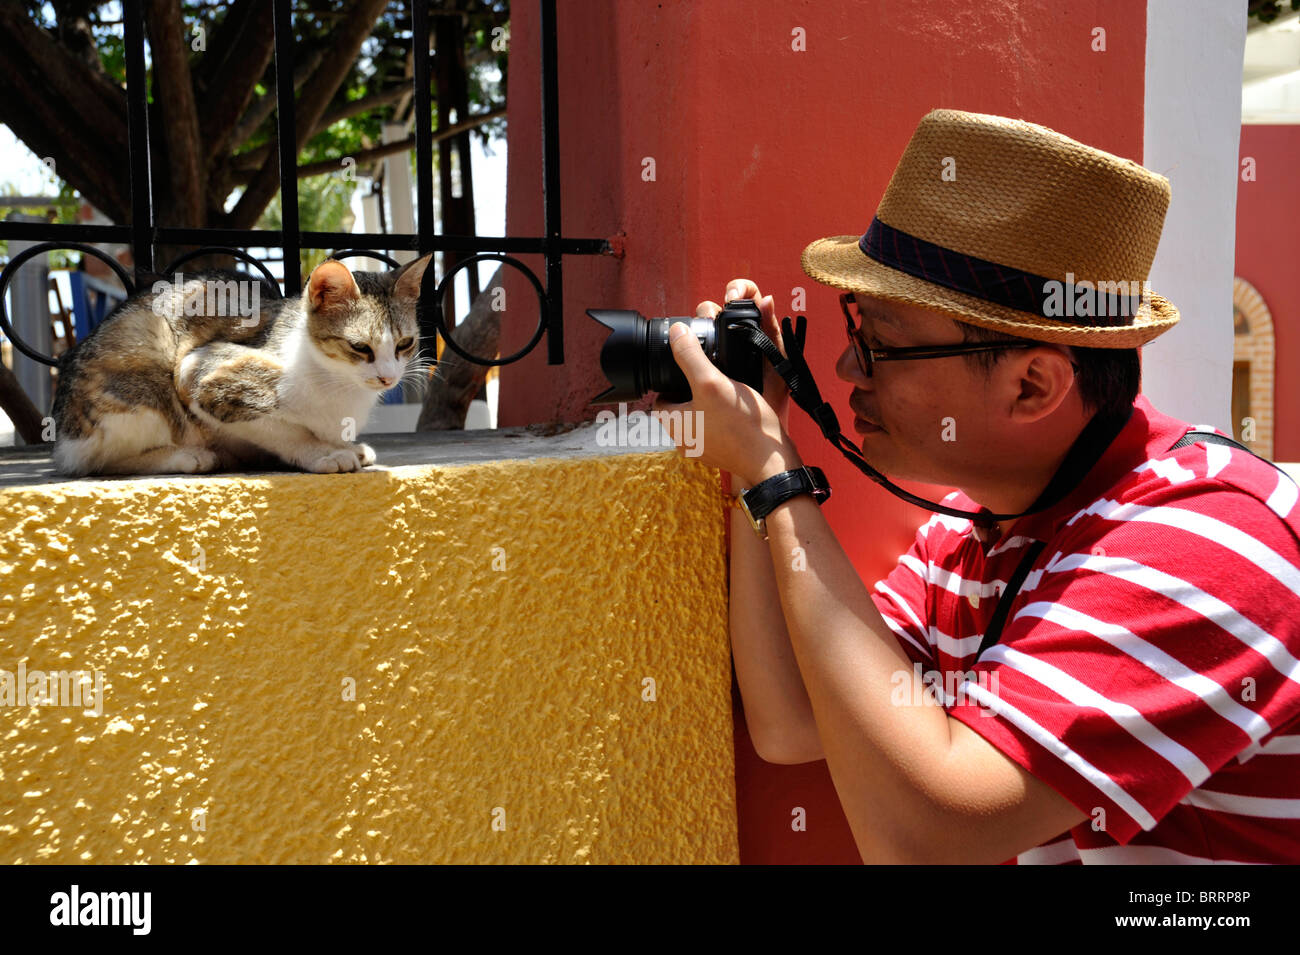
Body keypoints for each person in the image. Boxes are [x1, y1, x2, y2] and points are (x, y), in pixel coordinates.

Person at [652, 109, 1300, 864]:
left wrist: (775, 474)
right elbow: (794, 716)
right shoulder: (972, 534)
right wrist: (759, 442)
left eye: (883, 343)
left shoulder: (1207, 542)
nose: (846, 370)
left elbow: (922, 838)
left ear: (1033, 385)